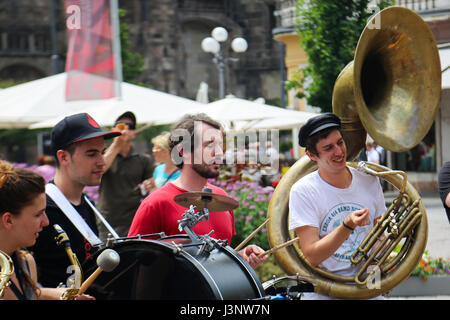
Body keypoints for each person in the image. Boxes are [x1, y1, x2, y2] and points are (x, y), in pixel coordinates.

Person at [128, 113, 267, 268]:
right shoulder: (155, 204)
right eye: (210, 145)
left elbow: (214, 260)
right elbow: (133, 265)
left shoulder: (221, 197)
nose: (220, 153)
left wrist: (241, 257)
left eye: (221, 145)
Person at [288, 113, 386, 300]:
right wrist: (346, 226)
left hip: (366, 286)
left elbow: (379, 234)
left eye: (340, 142)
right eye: (328, 148)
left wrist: (378, 274)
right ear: (311, 155)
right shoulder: (303, 190)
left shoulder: (369, 180)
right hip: (325, 291)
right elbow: (312, 257)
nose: (339, 152)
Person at [30, 112, 121, 288]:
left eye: (102, 152)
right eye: (91, 154)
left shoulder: (87, 203)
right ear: (63, 157)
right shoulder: (41, 209)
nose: (102, 161)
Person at [0, 161, 94, 300]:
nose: (46, 222)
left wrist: (57, 294)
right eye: (38, 214)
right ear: (8, 220)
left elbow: (34, 293)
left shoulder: (26, 262)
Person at [97, 111, 154, 239]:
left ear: (134, 133)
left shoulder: (143, 159)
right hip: (107, 221)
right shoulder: (101, 156)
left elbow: (151, 189)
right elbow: (101, 169)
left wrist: (145, 187)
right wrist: (117, 144)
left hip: (133, 221)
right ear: (113, 130)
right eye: (122, 125)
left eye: (131, 127)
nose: (126, 129)